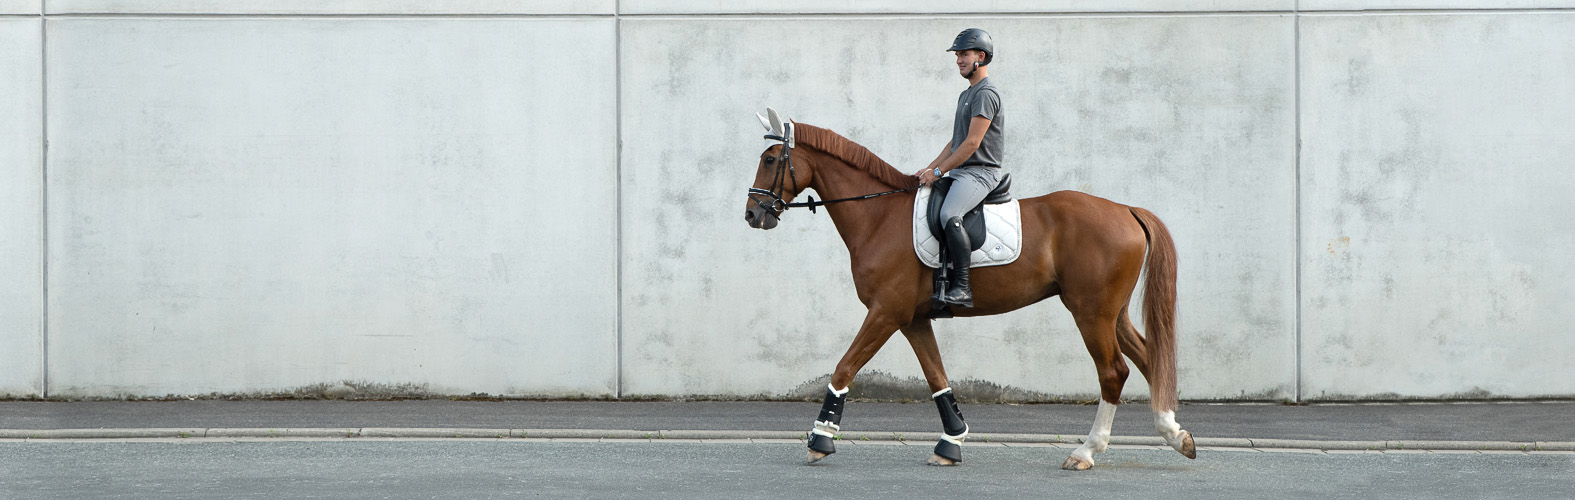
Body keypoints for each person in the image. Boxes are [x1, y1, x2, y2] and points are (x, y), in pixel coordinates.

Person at [914, 28, 1005, 308]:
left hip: (981, 172)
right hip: (963, 172)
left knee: (949, 214)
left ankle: (962, 287)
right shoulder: (967, 94)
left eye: (964, 54)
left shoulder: (985, 94)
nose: (958, 60)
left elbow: (972, 143)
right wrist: (929, 169)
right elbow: (956, 142)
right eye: (957, 55)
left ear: (981, 57)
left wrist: (939, 172)